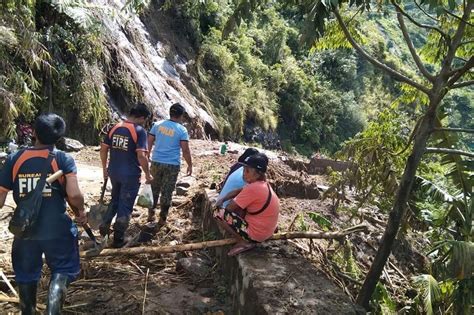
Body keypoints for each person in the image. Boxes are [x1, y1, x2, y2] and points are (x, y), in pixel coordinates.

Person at [0, 113, 86, 314]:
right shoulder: (63, 159)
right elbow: (73, 195)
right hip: (57, 229)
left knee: (26, 276)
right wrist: (81, 210)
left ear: (34, 133)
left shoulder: (15, 159)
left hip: (25, 230)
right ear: (59, 138)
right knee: (63, 270)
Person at [99, 103, 153, 247]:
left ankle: (104, 225)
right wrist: (148, 174)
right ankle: (118, 239)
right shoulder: (139, 131)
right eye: (145, 119)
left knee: (115, 199)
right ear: (141, 117)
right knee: (126, 205)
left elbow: (103, 149)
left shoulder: (115, 127)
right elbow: (141, 156)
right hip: (130, 174)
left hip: (114, 172)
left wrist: (104, 168)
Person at [215, 153, 279, 256]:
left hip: (256, 235)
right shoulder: (262, 185)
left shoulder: (253, 188)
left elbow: (229, 208)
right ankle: (247, 237)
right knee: (242, 208)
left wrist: (221, 204)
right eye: (244, 170)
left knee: (218, 213)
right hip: (267, 231)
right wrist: (223, 198)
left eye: (247, 171)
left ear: (257, 174)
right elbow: (237, 191)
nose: (244, 173)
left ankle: (244, 241)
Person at [147, 102, 192, 224]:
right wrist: (190, 164)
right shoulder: (181, 130)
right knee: (167, 191)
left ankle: (151, 214)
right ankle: (162, 218)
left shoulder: (157, 125)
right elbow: (185, 150)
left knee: (154, 189)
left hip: (156, 162)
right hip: (172, 165)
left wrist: (147, 155)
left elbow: (149, 142)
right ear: (181, 116)